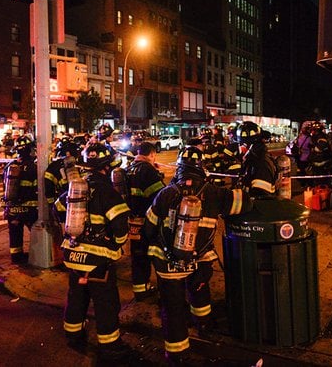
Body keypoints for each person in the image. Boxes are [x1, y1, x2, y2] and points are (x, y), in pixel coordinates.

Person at [143, 146, 252, 365]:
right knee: (200, 293)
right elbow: (245, 203)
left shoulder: (166, 193)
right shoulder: (213, 192)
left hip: (167, 264)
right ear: (201, 168)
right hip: (199, 260)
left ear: (179, 168)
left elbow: (149, 228)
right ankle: (203, 325)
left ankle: (177, 353)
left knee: (172, 308)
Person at [54, 143, 132, 362]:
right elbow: (120, 226)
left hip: (74, 255)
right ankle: (110, 345)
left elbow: (57, 209)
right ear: (106, 168)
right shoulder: (108, 192)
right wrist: (116, 244)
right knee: (105, 303)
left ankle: (73, 334)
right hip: (99, 261)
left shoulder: (76, 186)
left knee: (76, 297)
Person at [125, 141, 165, 301]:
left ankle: (140, 290)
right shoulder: (148, 170)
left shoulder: (128, 169)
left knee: (138, 256)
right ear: (152, 154)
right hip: (148, 221)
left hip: (132, 222)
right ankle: (164, 290)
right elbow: (160, 196)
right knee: (155, 255)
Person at [0, 136, 38, 264]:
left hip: (12, 207)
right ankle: (37, 256)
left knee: (15, 233)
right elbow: (36, 187)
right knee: (36, 233)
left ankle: (16, 257)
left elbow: (4, 186)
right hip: (29, 208)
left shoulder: (10, 166)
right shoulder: (33, 166)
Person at [235, 121, 279, 198]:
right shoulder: (254, 159)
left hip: (259, 208)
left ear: (250, 145)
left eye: (242, 144)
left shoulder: (260, 164)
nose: (240, 147)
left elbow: (261, 197)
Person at [307, 121, 332, 187]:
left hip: (321, 161)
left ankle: (322, 192)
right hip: (318, 161)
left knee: (321, 181)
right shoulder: (317, 136)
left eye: (313, 130)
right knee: (318, 179)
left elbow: (319, 148)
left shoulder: (321, 137)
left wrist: (313, 147)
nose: (312, 131)